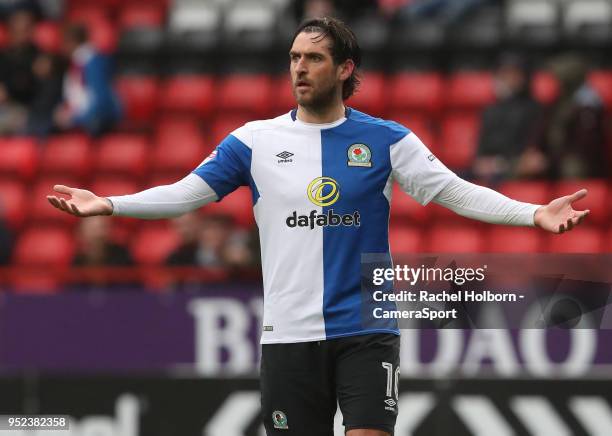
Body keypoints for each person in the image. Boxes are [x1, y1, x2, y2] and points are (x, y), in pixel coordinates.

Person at [47, 17, 590, 436]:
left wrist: (533, 213)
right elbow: (186, 193)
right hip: (289, 336)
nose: (299, 68)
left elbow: (454, 191)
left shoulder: (387, 140)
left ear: (345, 68)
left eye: (313, 58)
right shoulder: (254, 141)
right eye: (293, 58)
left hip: (366, 330)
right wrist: (111, 203)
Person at [473, 53, 542, 183]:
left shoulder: (534, 109)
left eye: (514, 74)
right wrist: (483, 163)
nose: (509, 79)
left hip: (516, 169)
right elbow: (480, 152)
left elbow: (532, 153)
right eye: (504, 74)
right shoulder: (490, 110)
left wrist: (504, 164)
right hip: (489, 168)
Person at [54, 24, 122, 136]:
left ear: (71, 42)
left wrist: (76, 119)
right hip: (81, 118)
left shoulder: (94, 63)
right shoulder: (75, 63)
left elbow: (101, 101)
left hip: (98, 122)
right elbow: (72, 96)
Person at [70, 216, 137, 290]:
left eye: (102, 227)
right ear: (80, 232)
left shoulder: (122, 257)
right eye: (93, 229)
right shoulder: (76, 262)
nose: (97, 234)